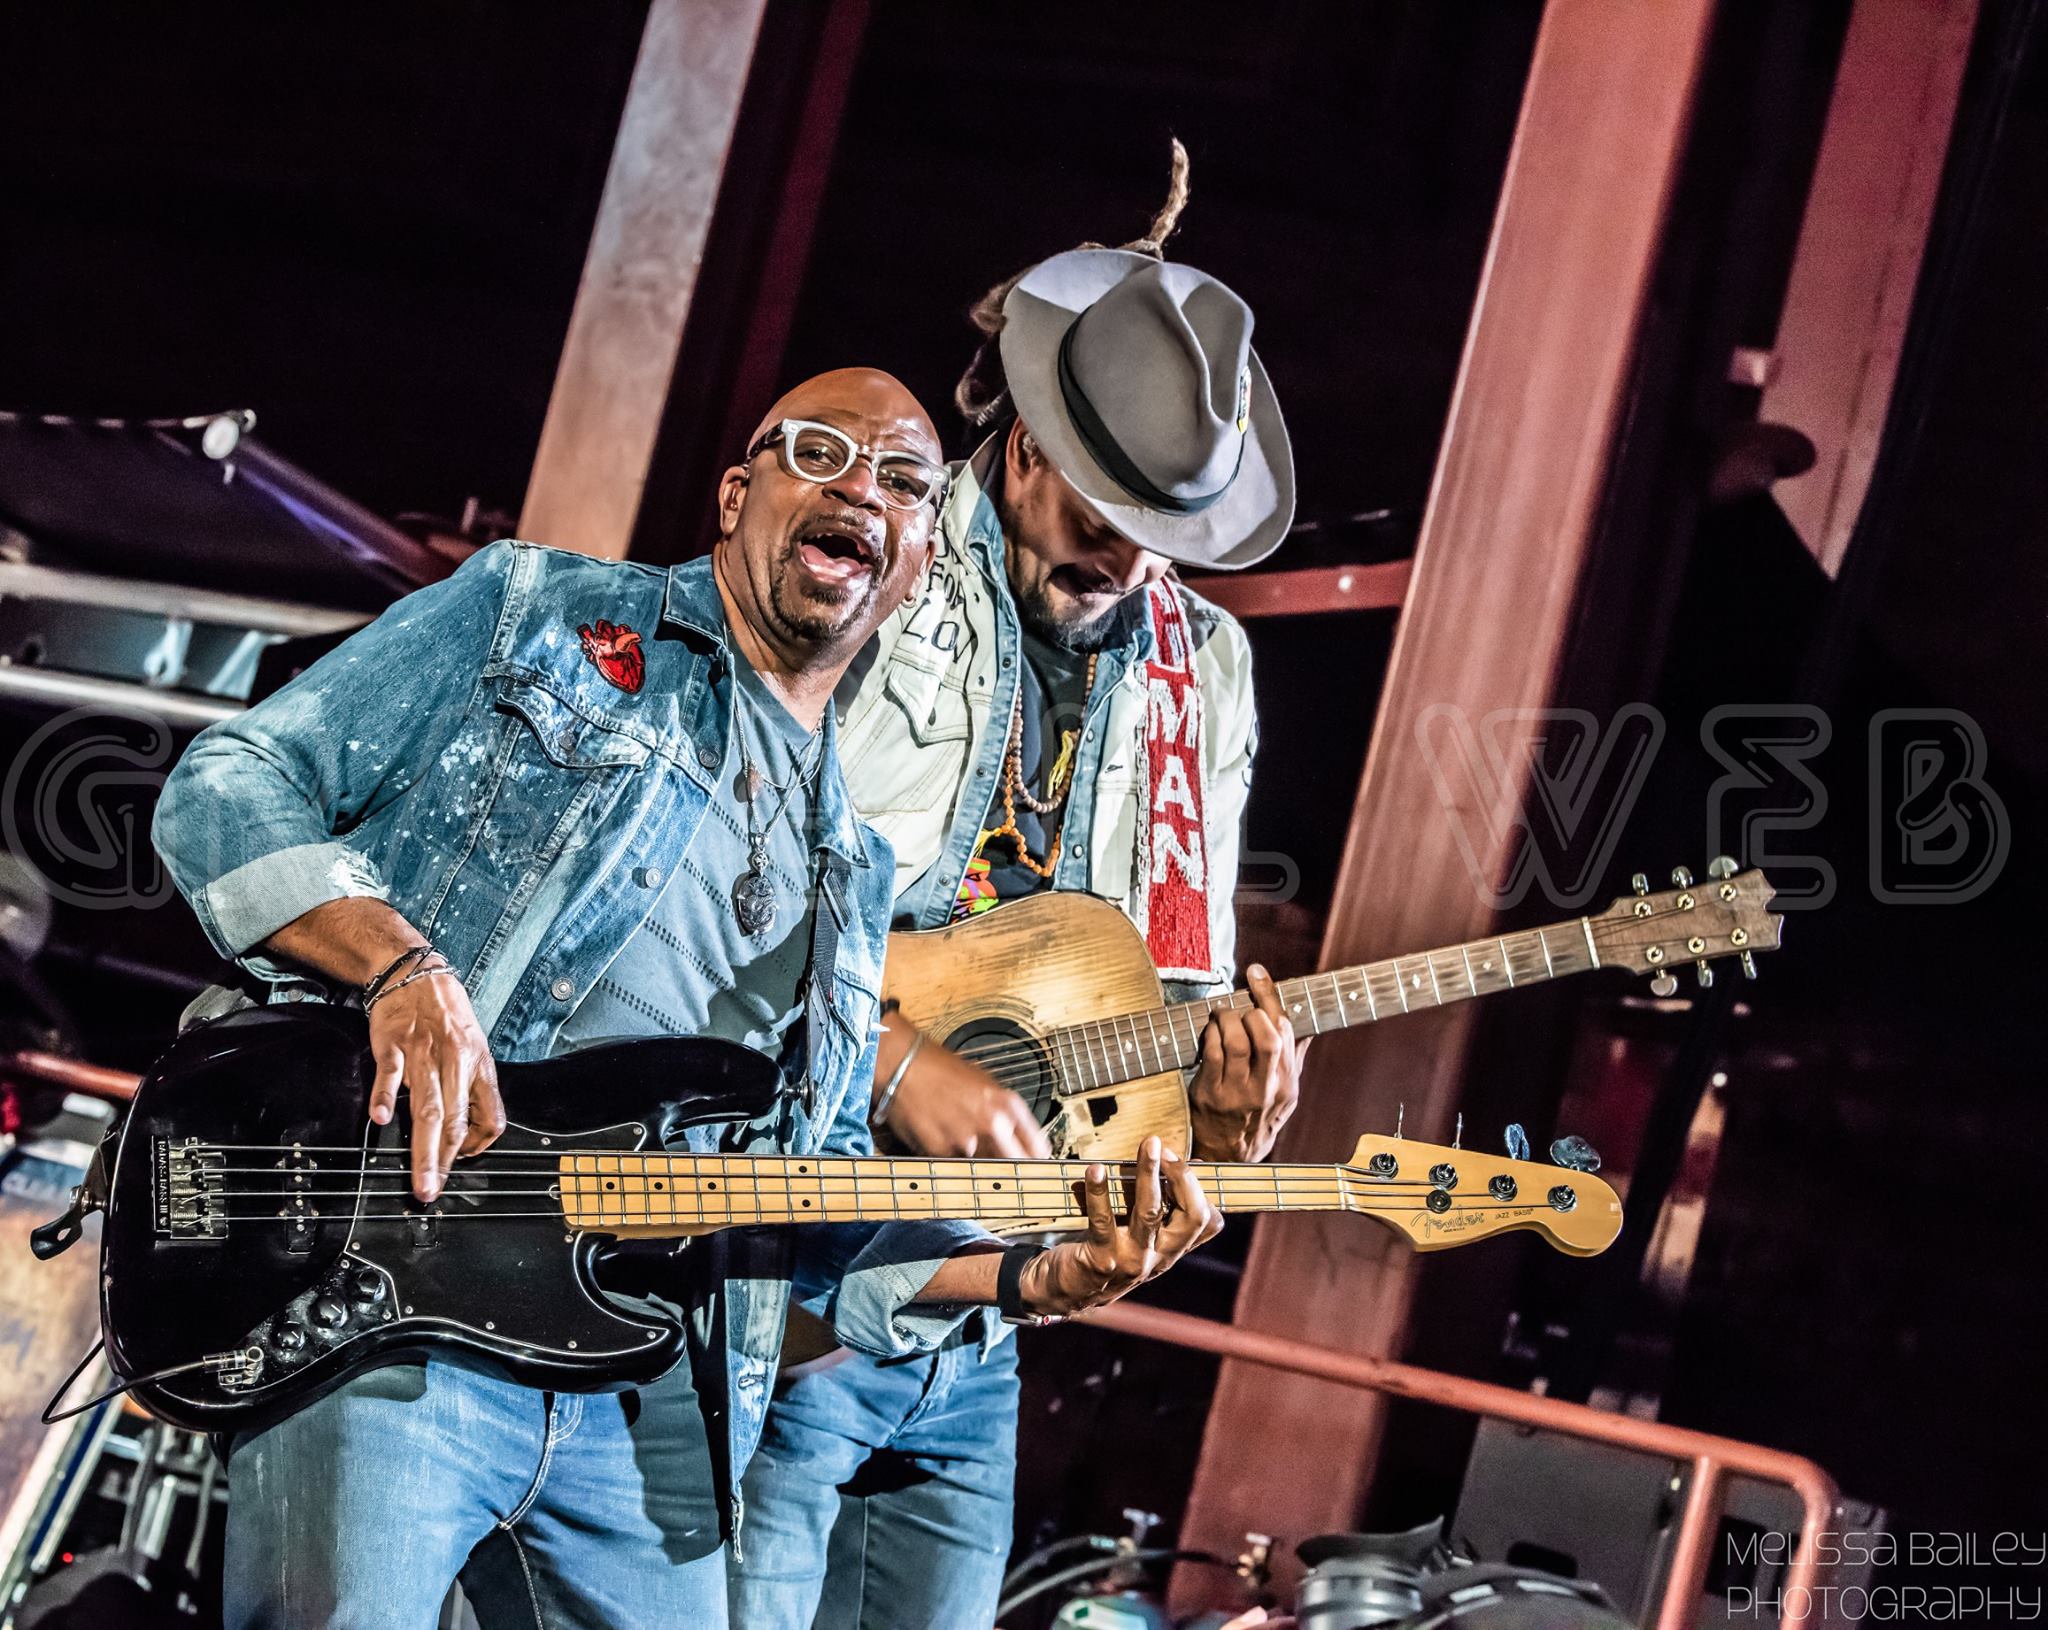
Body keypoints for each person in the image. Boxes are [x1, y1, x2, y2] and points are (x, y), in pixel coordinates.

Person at [152, 367, 1221, 1630]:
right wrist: (399, 964)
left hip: (636, 1383)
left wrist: (1032, 1283)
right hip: (395, 1301)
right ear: (735, 495)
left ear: (922, 556)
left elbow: (815, 1219)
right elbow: (227, 783)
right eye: (817, 453)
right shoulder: (536, 612)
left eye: (901, 481)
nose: (857, 490)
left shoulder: (855, 874)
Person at [732, 176, 1306, 1630]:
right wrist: (888, 1057)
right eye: (1105, 506)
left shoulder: (1207, 671)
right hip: (771, 1268)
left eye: (1162, 527)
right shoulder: (869, 554)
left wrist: (1223, 1125)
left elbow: (1161, 1011)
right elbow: (698, 889)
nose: (1125, 557)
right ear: (1028, 439)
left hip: (978, 1314)